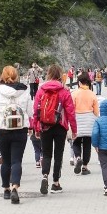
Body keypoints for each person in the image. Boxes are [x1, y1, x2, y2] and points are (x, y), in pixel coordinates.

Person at [31, 64, 78, 196]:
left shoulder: (41, 90)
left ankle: (45, 176)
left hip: (45, 125)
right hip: (60, 127)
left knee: (46, 154)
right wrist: (74, 129)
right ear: (60, 75)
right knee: (58, 155)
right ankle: (56, 183)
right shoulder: (64, 91)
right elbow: (70, 112)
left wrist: (36, 127)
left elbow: (36, 111)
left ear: (48, 74)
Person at [0, 65, 32, 204]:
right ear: (16, 76)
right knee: (17, 161)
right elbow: (30, 112)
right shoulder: (25, 90)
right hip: (20, 130)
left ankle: (6, 189)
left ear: (3, 76)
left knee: (6, 160)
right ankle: (15, 187)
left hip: (2, 129)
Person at [71, 73, 100, 176]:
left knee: (76, 142)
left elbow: (71, 109)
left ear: (79, 82)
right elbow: (96, 112)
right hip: (89, 121)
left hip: (77, 120)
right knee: (87, 144)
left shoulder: (74, 93)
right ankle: (85, 167)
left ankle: (78, 157)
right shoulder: (92, 94)